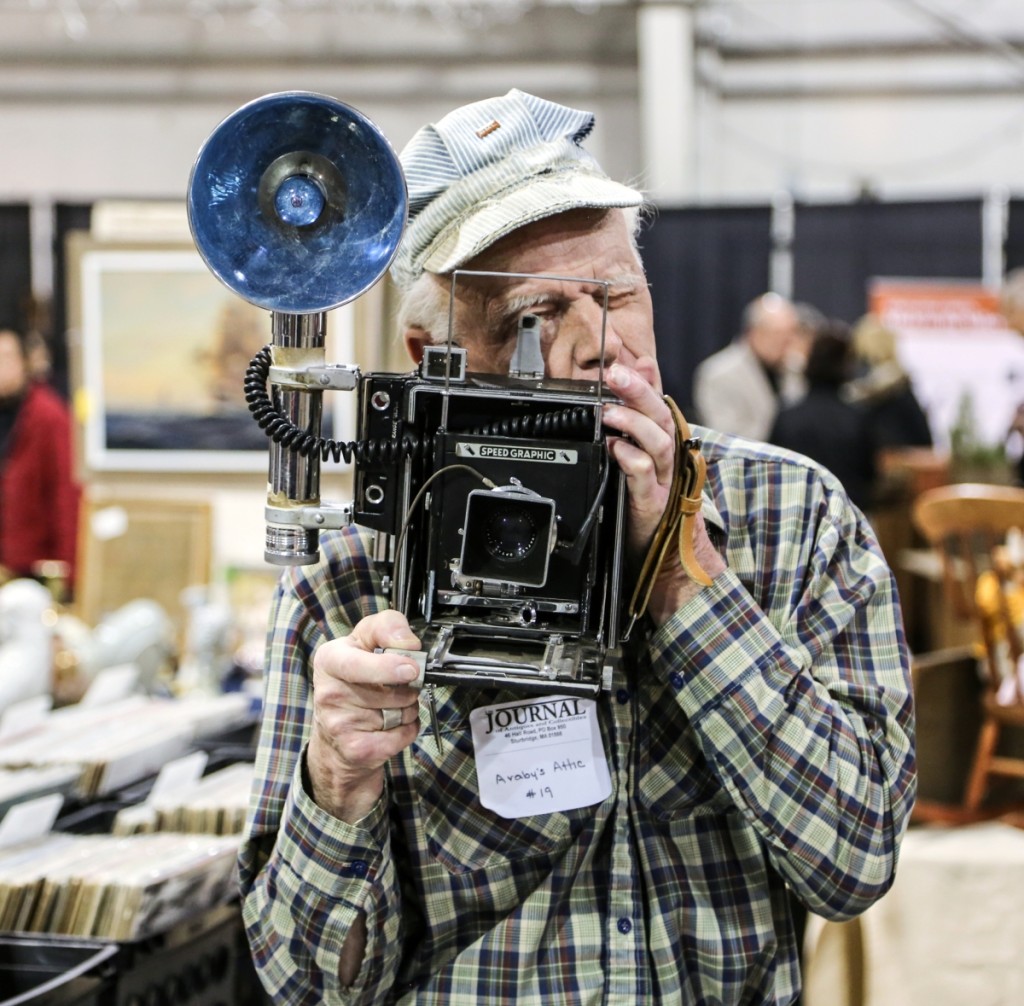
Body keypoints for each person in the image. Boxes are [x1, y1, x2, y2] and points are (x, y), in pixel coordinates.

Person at [239, 90, 916, 1005]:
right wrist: (339, 782)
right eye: (535, 314)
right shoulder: (354, 578)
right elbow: (309, 987)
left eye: (617, 296)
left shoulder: (793, 517)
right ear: (429, 349)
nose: (599, 344)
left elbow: (856, 860)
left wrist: (684, 571)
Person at [0, 327, 80, 592]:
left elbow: (66, 496)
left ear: (24, 362)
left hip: (34, 569)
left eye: (6, 357)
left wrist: (68, 576)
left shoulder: (48, 416)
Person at [769, 321, 878, 512]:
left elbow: (772, 474)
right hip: (847, 519)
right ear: (845, 367)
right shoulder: (859, 419)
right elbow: (870, 476)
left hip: (795, 519)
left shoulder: (787, 417)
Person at [691, 292, 807, 441]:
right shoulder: (717, 374)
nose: (786, 342)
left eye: (791, 333)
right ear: (753, 332)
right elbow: (725, 435)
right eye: (777, 334)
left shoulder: (798, 370)